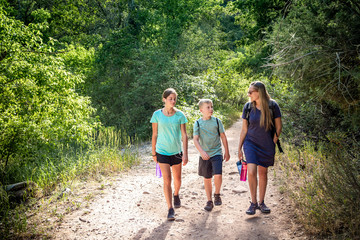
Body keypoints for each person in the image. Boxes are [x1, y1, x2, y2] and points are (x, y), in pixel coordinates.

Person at [238, 81, 282, 215]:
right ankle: (253, 203)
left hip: (266, 144)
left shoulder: (272, 105)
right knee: (251, 171)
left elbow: (278, 127)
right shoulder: (248, 106)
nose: (249, 94)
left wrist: (273, 141)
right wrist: (239, 148)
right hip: (250, 143)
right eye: (249, 92)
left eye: (251, 92)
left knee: (263, 173)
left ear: (259, 92)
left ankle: (262, 203)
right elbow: (244, 129)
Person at [150, 88, 189, 221]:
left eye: (174, 99)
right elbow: (154, 134)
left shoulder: (180, 115)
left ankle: (176, 194)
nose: (172, 101)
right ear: (164, 99)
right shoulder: (157, 115)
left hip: (176, 151)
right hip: (162, 151)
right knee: (167, 180)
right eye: (170, 99)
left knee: (177, 180)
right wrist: (153, 153)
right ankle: (170, 208)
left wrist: (185, 154)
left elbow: (184, 135)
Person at [193, 99, 230, 211]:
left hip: (216, 152)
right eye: (208, 107)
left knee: (218, 174)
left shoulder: (217, 121)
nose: (211, 109)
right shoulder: (198, 123)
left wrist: (226, 151)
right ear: (201, 110)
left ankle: (217, 194)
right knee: (207, 177)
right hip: (205, 155)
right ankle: (209, 201)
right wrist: (202, 152)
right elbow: (195, 140)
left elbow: (223, 136)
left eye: (211, 107)